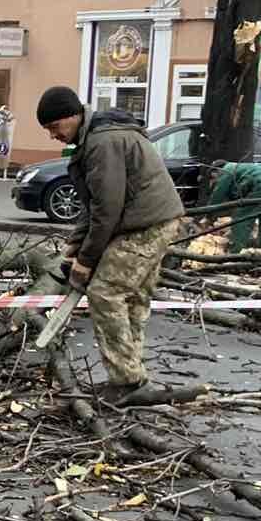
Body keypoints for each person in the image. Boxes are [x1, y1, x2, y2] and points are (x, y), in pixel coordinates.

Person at [35, 86, 186, 408]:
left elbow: (107, 210)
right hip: (152, 218)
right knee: (133, 296)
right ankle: (133, 377)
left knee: (106, 292)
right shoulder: (96, 136)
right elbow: (94, 207)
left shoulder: (102, 142)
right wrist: (73, 249)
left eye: (53, 128)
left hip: (145, 222)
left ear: (71, 117)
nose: (52, 136)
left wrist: (86, 262)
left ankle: (127, 381)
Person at [208, 160, 261, 253]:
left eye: (213, 177)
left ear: (216, 171)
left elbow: (218, 194)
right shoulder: (242, 168)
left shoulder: (227, 170)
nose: (215, 180)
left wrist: (208, 216)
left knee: (241, 218)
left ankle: (236, 252)